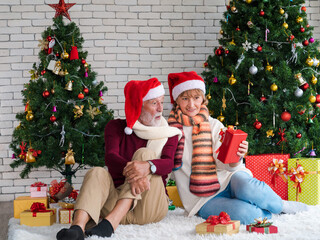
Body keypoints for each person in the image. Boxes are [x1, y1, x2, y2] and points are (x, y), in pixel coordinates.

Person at [167, 71, 308, 224]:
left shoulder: (214, 125)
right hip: (202, 199)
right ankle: (261, 207)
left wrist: (235, 156)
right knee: (249, 214)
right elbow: (165, 165)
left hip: (229, 178)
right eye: (185, 98)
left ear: (202, 99)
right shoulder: (170, 131)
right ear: (177, 100)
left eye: (196, 98)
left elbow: (223, 162)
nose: (191, 104)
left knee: (249, 187)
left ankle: (281, 205)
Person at [56, 78, 181, 240]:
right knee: (97, 172)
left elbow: (168, 164)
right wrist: (136, 173)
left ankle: (110, 224)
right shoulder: (115, 127)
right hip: (113, 204)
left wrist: (147, 166)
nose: (160, 109)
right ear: (138, 105)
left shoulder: (168, 133)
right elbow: (111, 158)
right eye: (153, 103)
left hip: (149, 207)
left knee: (145, 155)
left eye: (161, 102)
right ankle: (77, 228)